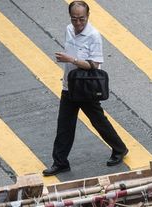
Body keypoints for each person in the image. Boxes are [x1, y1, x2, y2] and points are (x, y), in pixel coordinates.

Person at [43, 0, 128, 176]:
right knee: (64, 125)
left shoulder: (94, 36)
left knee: (98, 121)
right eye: (74, 19)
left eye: (82, 19)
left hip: (86, 87)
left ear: (88, 16)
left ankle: (119, 148)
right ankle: (60, 162)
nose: (78, 23)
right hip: (69, 85)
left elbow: (94, 64)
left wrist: (71, 60)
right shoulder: (68, 29)